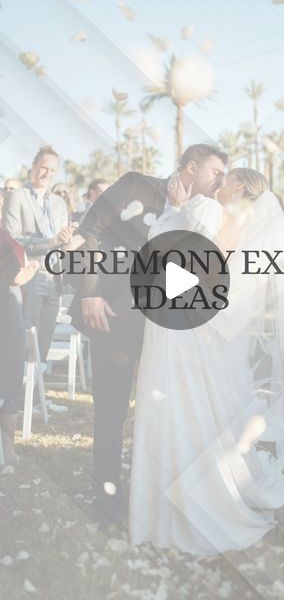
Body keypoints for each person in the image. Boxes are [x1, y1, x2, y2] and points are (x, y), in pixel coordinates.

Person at [129, 168, 284, 555]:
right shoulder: (239, 220)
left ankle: (200, 496)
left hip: (201, 329)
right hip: (206, 329)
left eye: (227, 177)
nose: (220, 181)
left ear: (239, 186)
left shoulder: (236, 221)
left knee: (199, 412)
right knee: (208, 410)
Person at [66, 144, 227, 526]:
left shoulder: (204, 213)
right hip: (108, 314)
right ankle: (105, 501)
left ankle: (149, 498)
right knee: (111, 411)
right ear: (191, 167)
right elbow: (88, 233)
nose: (222, 179)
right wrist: (90, 293)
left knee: (161, 413)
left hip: (161, 324)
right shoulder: (135, 185)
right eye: (216, 170)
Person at [4, 146, 71, 362]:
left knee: (45, 338)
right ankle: (19, 391)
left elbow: (63, 243)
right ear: (33, 167)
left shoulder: (59, 203)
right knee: (26, 338)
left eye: (52, 171)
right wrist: (51, 241)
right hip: (30, 275)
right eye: (43, 168)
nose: (47, 174)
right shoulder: (16, 196)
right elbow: (13, 239)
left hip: (55, 277)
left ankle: (37, 392)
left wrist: (67, 238)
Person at [0, 229, 39, 464]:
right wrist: (31, 270)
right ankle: (9, 451)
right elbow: (15, 277)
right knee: (10, 379)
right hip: (6, 309)